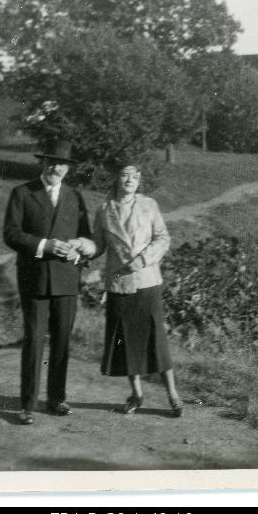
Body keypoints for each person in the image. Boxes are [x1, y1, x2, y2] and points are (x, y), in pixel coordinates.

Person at [72, 164, 183, 417]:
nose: (130, 180)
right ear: (116, 179)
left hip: (146, 281)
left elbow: (163, 238)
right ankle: (137, 394)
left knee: (156, 340)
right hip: (119, 284)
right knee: (126, 342)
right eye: (124, 175)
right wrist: (82, 246)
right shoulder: (104, 210)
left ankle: (173, 395)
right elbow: (98, 245)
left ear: (139, 181)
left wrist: (143, 259)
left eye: (135, 176)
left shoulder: (149, 205)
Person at [2, 139, 91, 425]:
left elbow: (88, 238)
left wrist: (80, 247)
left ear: (68, 168)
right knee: (34, 341)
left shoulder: (75, 196)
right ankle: (28, 404)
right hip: (35, 277)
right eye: (52, 162)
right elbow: (11, 234)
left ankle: (56, 399)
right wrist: (45, 245)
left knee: (63, 341)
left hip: (66, 279)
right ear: (42, 163)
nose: (57, 168)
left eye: (62, 163)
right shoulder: (23, 193)